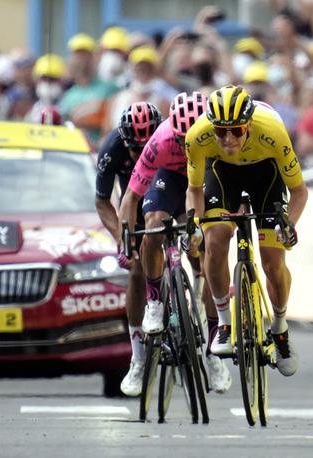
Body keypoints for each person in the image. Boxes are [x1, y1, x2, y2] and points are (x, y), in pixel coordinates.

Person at [185, 85, 308, 377]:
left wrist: (289, 224)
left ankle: (280, 329)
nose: (227, 139)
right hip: (223, 173)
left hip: (265, 173)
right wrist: (196, 225)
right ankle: (225, 323)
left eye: (237, 131)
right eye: (220, 131)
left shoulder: (273, 132)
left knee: (272, 261)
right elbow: (193, 190)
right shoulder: (197, 136)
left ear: (249, 124)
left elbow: (299, 192)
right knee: (215, 240)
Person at [118, 92, 232, 394]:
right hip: (169, 177)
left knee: (212, 255)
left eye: (192, 138)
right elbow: (130, 198)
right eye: (182, 139)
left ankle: (212, 352)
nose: (186, 145)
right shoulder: (161, 141)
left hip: (205, 176)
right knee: (154, 222)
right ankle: (155, 301)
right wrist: (126, 238)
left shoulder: (218, 136)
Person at [95, 101, 162, 396]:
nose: (140, 155)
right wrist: (121, 239)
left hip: (164, 195)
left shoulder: (169, 140)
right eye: (134, 149)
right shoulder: (112, 148)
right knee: (136, 270)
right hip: (131, 203)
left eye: (145, 148)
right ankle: (137, 354)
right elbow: (102, 200)